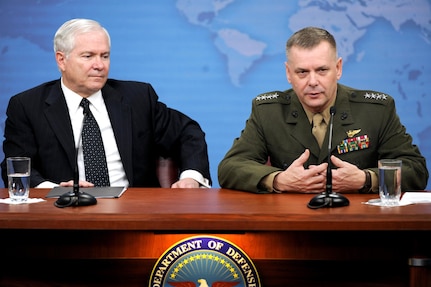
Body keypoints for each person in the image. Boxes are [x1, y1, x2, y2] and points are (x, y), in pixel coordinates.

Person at [1, 18, 211, 189]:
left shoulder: (137, 97)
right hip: (64, 214)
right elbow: (16, 166)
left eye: (105, 56)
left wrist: (191, 177)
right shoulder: (27, 106)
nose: (99, 65)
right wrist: (54, 191)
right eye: (88, 56)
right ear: (61, 60)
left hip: (135, 213)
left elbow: (187, 132)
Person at [218, 26, 428, 193]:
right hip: (291, 227)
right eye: (302, 72)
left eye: (321, 70)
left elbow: (416, 170)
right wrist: (279, 180)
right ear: (288, 73)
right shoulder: (268, 111)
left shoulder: (377, 110)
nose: (312, 81)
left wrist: (366, 179)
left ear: (338, 68)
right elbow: (230, 167)